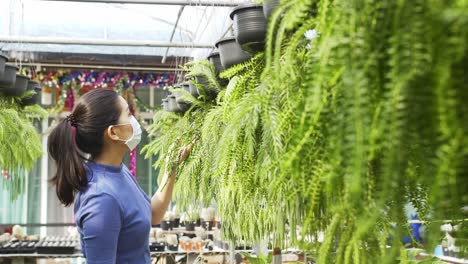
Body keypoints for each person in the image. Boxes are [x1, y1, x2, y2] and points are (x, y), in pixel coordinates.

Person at [47, 89, 190, 264]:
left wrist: (171, 167)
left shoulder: (118, 171)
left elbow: (153, 214)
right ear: (113, 132)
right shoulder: (102, 198)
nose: (134, 120)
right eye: (128, 114)